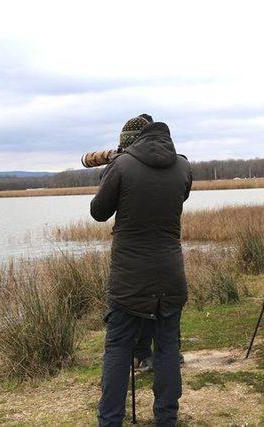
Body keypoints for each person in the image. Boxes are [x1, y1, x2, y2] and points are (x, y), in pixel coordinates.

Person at [91, 114, 192, 427]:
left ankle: (110, 421)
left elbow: (98, 212)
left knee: (119, 348)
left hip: (129, 277)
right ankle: (167, 419)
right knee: (167, 348)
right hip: (170, 272)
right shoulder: (183, 166)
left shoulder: (121, 167)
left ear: (128, 143)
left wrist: (111, 170)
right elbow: (181, 194)